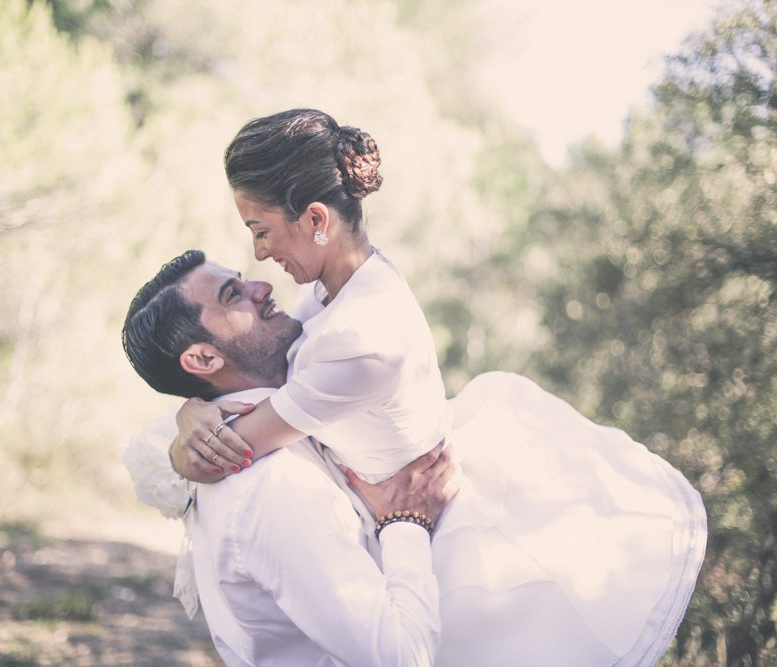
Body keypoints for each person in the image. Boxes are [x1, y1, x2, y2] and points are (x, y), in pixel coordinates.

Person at [163, 109, 707, 666]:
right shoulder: (342, 287)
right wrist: (190, 409)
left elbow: (232, 448)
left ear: (316, 218)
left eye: (261, 230)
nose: (259, 253)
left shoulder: (359, 339)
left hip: (431, 532)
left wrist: (187, 437)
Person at [122, 250, 458, 666]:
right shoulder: (275, 486)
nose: (261, 288)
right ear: (205, 359)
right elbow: (402, 658)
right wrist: (407, 522)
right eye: (233, 296)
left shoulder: (251, 433)